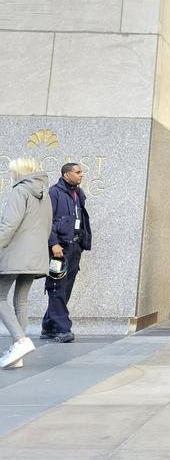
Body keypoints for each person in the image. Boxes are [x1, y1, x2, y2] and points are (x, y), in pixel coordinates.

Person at [0, 158, 52, 369]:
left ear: (18, 173)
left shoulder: (19, 191)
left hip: (15, 253)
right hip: (36, 255)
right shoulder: (45, 195)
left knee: (0, 296)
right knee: (20, 301)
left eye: (11, 172)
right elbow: (47, 226)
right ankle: (18, 354)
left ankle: (21, 341)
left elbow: (9, 225)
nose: (10, 176)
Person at [41, 162, 92, 343]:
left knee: (66, 289)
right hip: (59, 250)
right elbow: (46, 221)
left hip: (74, 248)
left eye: (81, 172)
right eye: (78, 172)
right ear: (66, 174)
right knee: (56, 287)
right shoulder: (54, 193)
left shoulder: (79, 193)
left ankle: (48, 326)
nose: (81, 175)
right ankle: (63, 329)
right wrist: (53, 244)